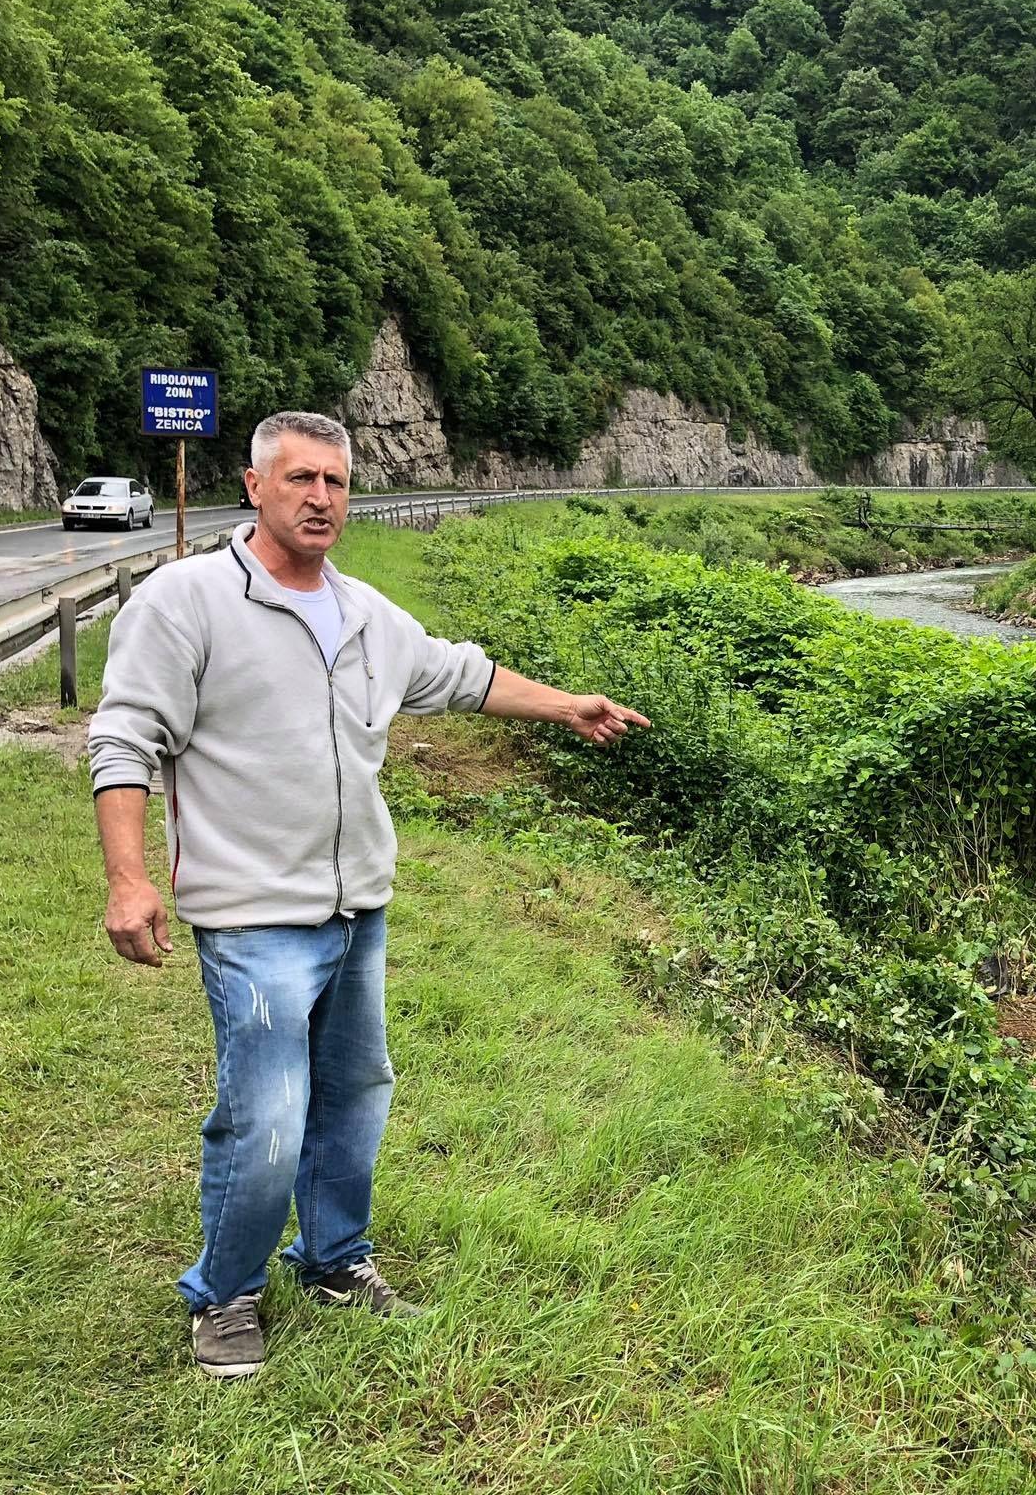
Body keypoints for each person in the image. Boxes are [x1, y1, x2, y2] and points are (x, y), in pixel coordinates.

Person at [86, 410, 647, 1378]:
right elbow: (124, 739)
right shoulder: (186, 603)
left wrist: (569, 706)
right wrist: (128, 879)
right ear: (254, 486)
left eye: (336, 482)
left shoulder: (364, 615)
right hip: (252, 915)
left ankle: (337, 1260)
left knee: (352, 1098)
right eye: (299, 478)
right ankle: (225, 1296)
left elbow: (460, 675)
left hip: (357, 911)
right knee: (265, 1115)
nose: (320, 498)